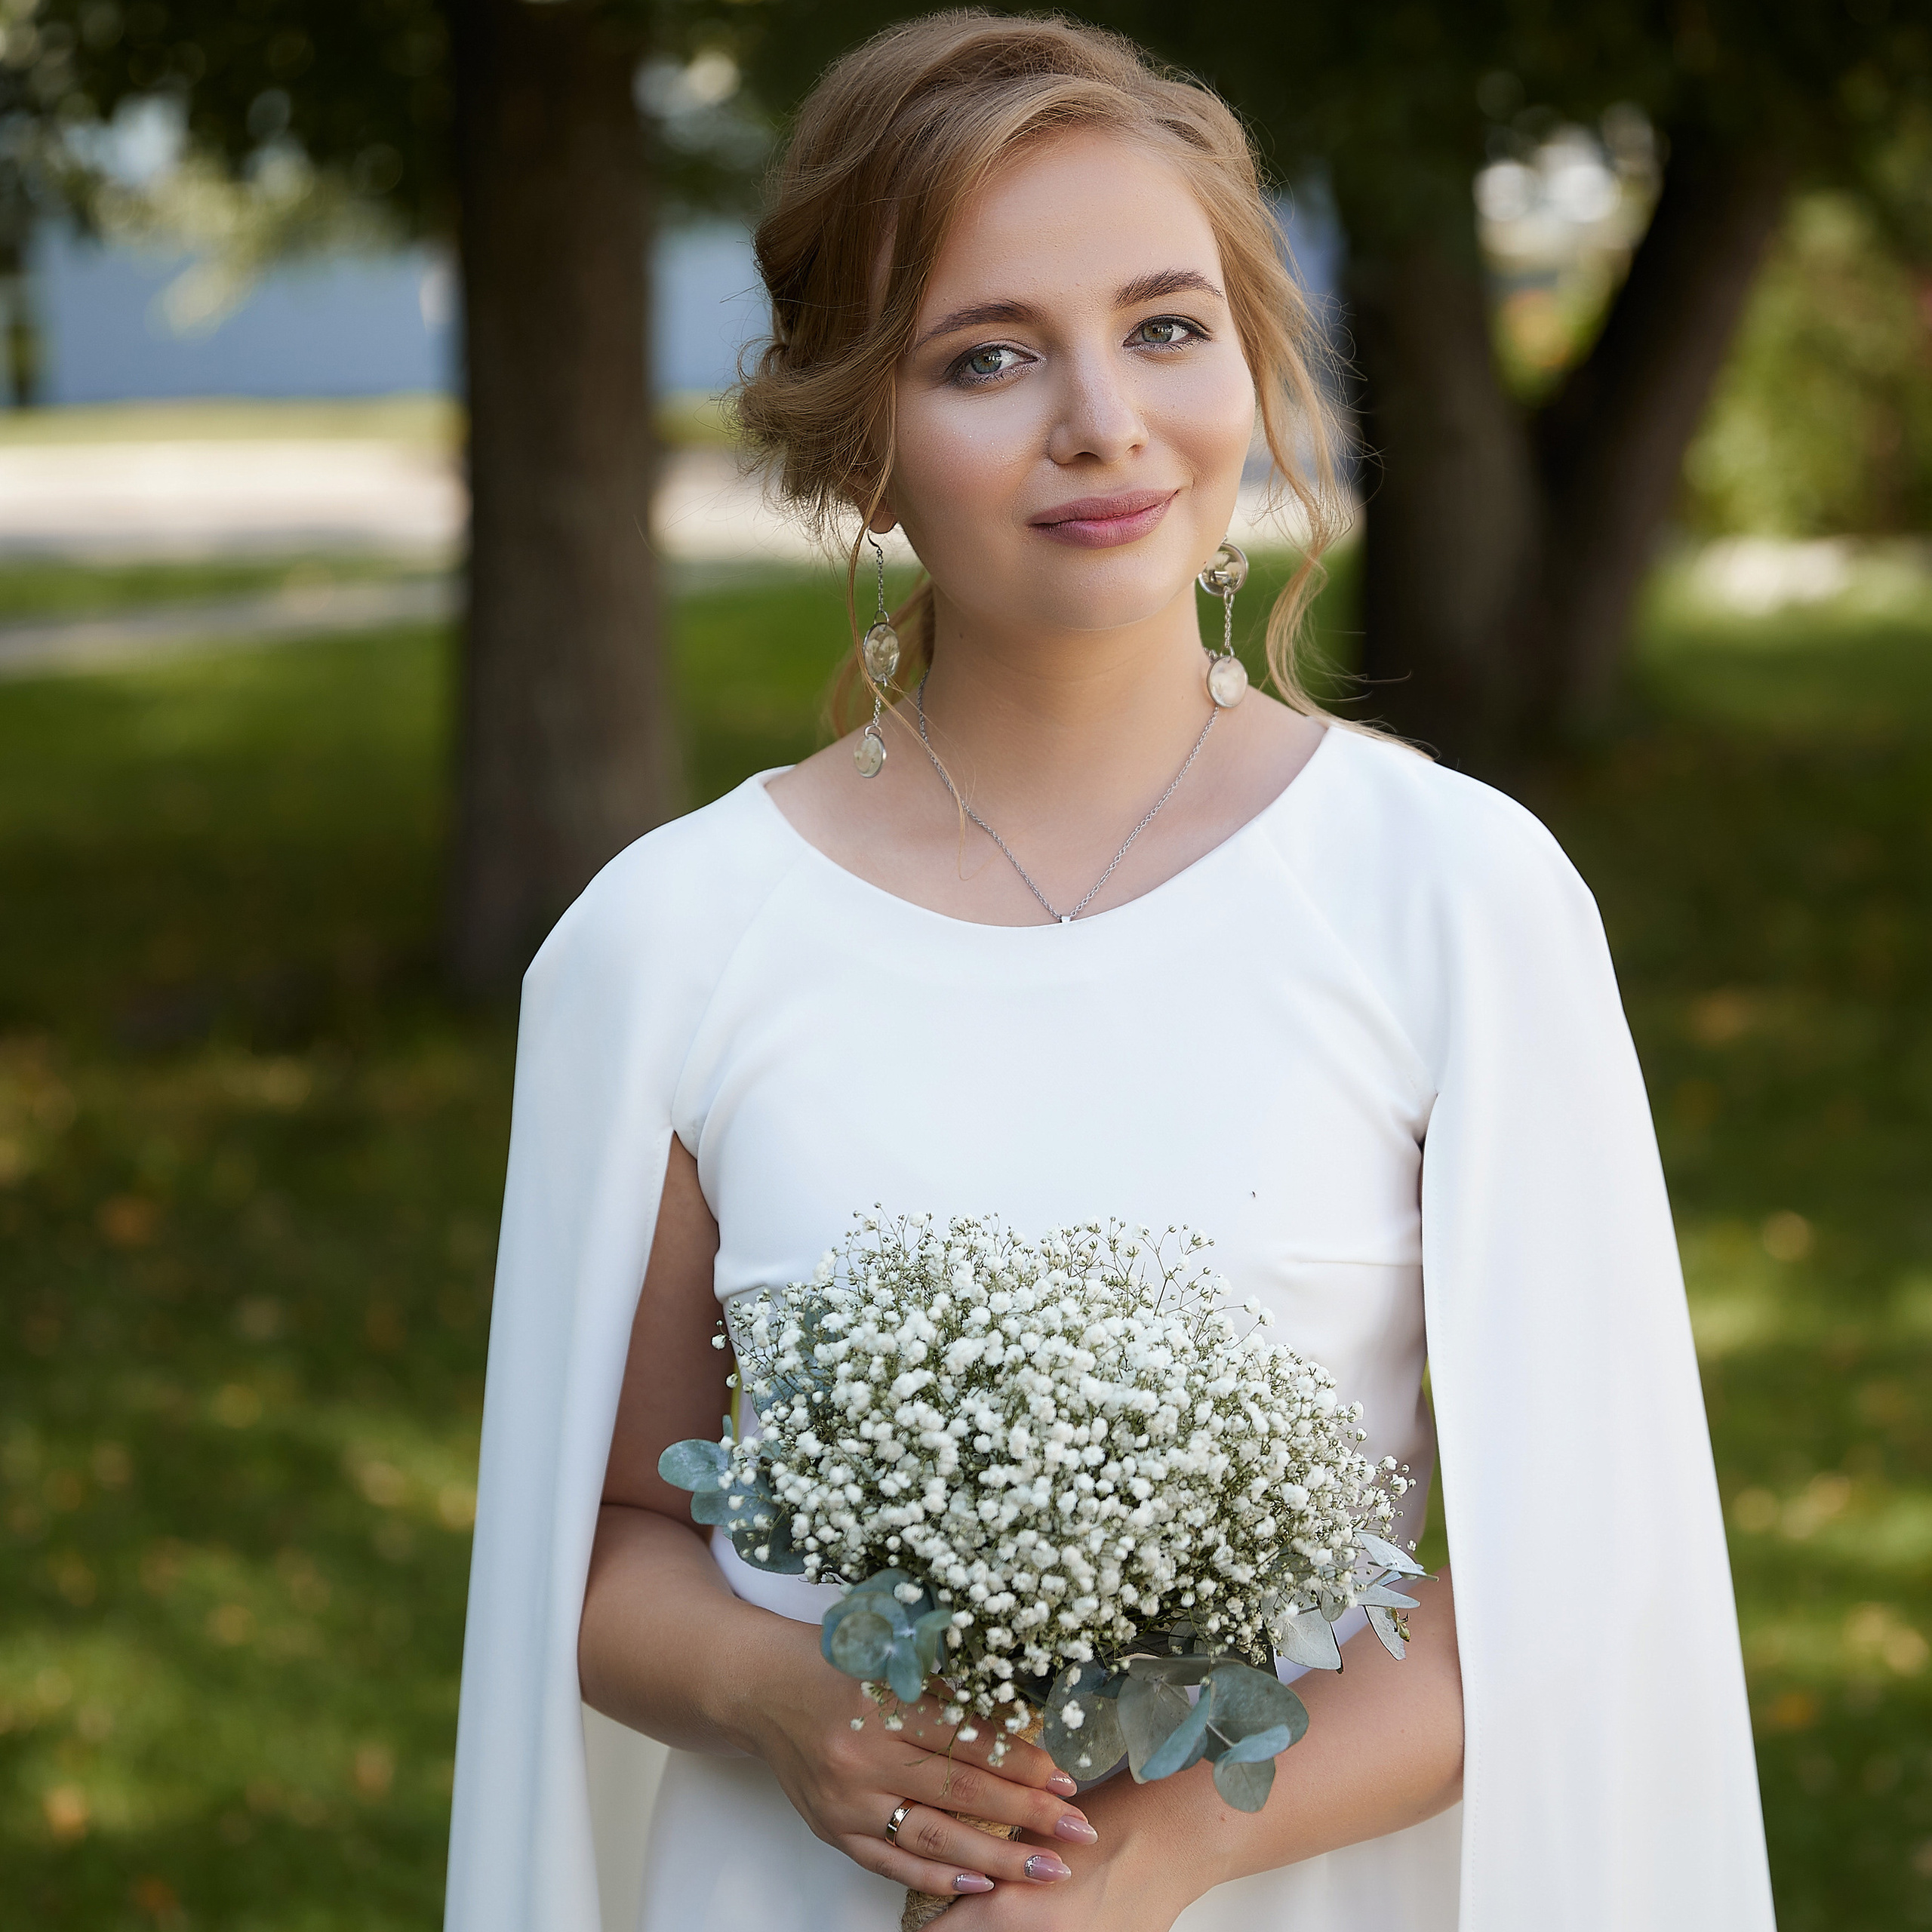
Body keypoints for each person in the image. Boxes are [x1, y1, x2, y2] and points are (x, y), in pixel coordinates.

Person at [443, 15, 1774, 1931]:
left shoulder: (1449, 894)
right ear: (859, 439)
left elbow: (1584, 1559)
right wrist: (792, 1698)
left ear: (1249, 361)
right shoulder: (667, 944)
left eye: (1164, 327)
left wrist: (1178, 1845)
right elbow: (606, 1537)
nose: (1101, 421)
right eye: (988, 356)